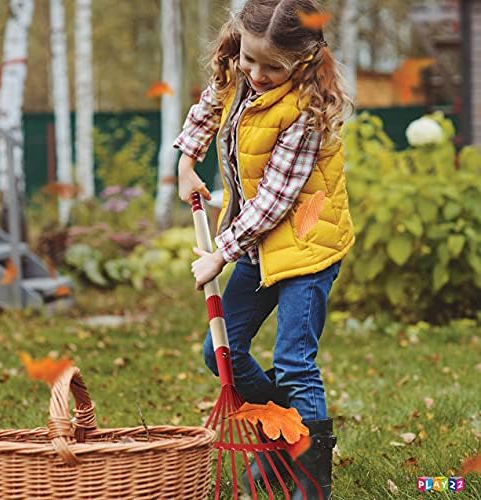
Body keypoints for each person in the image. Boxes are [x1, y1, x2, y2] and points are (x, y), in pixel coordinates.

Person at [174, 1, 354, 497]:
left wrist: (221, 251)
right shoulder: (240, 74)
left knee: (295, 363)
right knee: (221, 352)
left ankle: (312, 483)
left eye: (272, 67)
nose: (256, 74)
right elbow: (208, 107)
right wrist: (187, 161)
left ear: (304, 59)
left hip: (306, 248)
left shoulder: (306, 111)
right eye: (249, 59)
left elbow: (276, 199)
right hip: (260, 248)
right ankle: (282, 438)